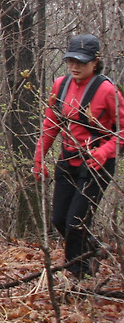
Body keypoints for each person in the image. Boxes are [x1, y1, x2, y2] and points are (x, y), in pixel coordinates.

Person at [33, 34, 123, 283]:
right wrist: (39, 158)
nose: (75, 66)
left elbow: (122, 130)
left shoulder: (107, 90)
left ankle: (78, 277)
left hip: (97, 164)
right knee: (60, 220)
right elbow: (51, 123)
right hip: (67, 159)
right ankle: (93, 248)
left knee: (76, 223)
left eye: (81, 62)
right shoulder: (60, 85)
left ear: (95, 62)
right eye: (71, 60)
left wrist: (104, 152)